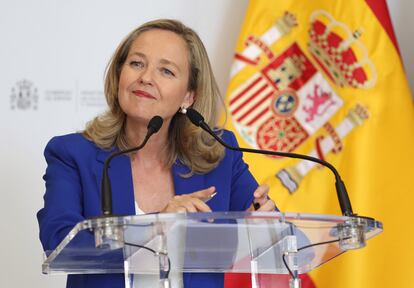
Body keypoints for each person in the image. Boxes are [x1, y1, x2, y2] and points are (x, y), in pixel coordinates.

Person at [37, 19, 276, 288]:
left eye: (166, 71)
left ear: (188, 96)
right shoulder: (74, 154)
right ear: (119, 76)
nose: (146, 77)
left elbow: (286, 244)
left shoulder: (219, 155)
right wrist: (155, 228)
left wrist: (263, 221)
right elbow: (58, 244)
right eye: (137, 63)